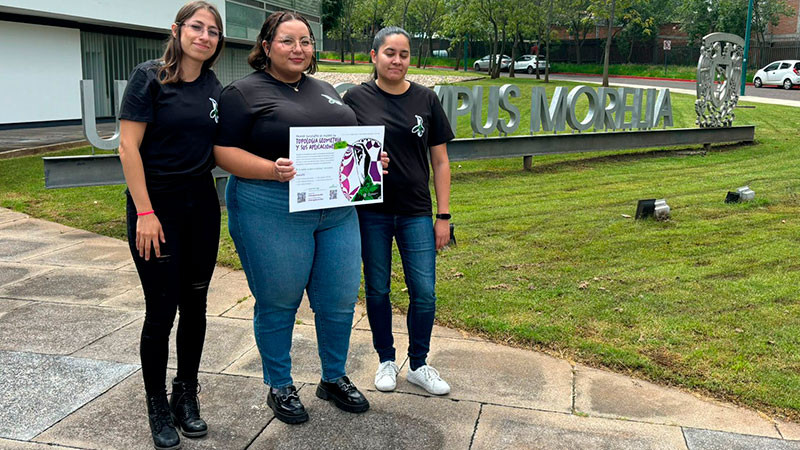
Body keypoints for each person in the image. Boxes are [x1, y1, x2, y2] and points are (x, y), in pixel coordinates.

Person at [213, 11, 382, 424]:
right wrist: (271, 169)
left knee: (339, 299)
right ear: (266, 46)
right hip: (270, 206)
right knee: (278, 300)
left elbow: (345, 143)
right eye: (287, 41)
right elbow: (222, 153)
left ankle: (333, 377)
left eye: (305, 41)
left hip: (336, 210)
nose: (298, 49)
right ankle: (280, 384)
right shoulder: (243, 92)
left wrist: (371, 163)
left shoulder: (325, 90)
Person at [118, 2, 223, 449]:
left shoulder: (215, 85)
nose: (205, 36)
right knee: (161, 310)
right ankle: (157, 402)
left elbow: (223, 145)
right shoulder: (149, 77)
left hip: (201, 206)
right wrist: (144, 212)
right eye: (197, 27)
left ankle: (186, 394)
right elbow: (127, 146)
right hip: (155, 209)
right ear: (177, 30)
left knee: (196, 306)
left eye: (213, 31)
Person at [343, 27, 455, 396]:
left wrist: (444, 216)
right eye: (390, 53)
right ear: (374, 56)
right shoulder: (355, 98)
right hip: (371, 212)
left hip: (416, 212)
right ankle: (385, 360)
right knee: (377, 289)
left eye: (404, 54)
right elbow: (341, 150)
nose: (397, 60)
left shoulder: (426, 99)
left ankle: (420, 364)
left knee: (424, 292)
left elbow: (440, 162)